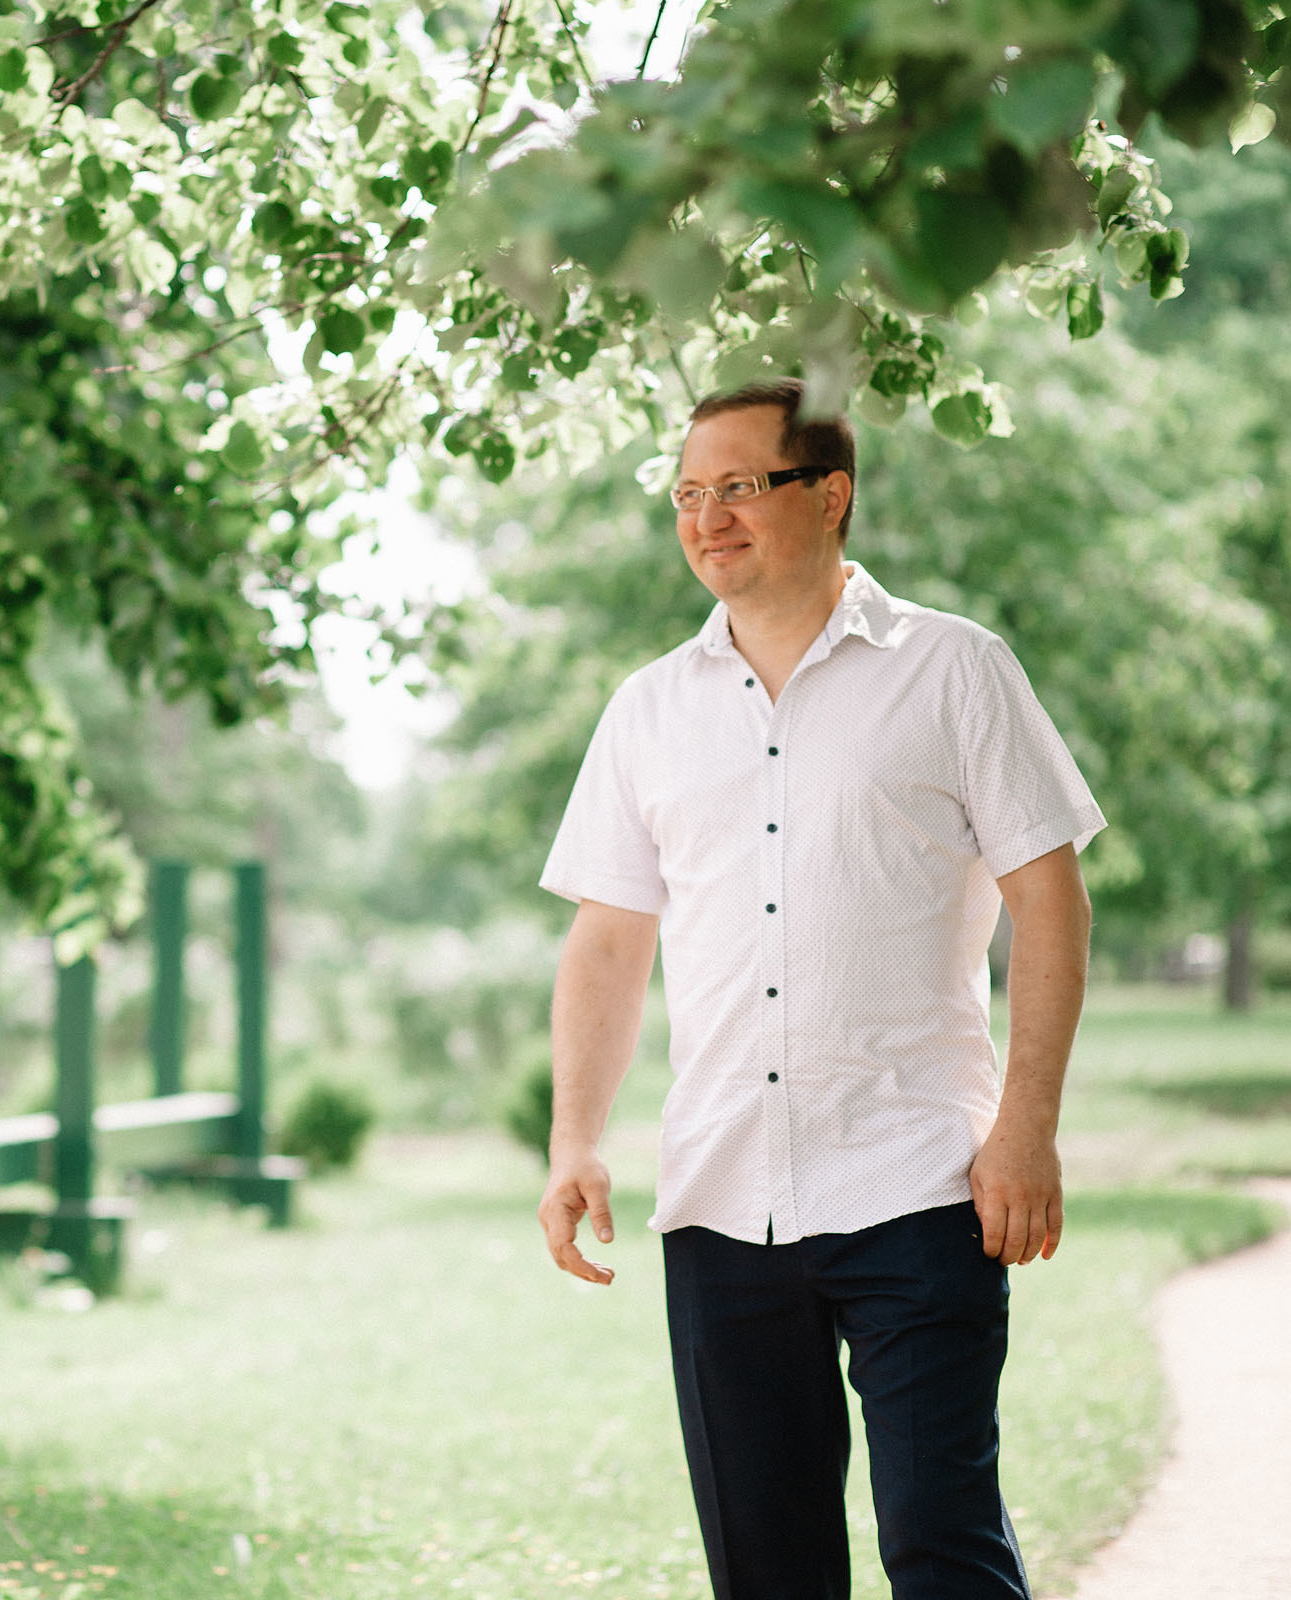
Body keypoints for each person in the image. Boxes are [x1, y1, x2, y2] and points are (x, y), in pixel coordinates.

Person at [536, 379, 1101, 1600]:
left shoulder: (954, 668)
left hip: (921, 1183)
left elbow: (1052, 901)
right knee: (767, 1571)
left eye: (740, 485)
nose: (707, 519)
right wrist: (574, 1136)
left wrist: (1027, 1127)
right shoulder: (647, 710)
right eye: (688, 493)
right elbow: (607, 942)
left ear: (830, 494)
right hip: (722, 1196)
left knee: (943, 1546)